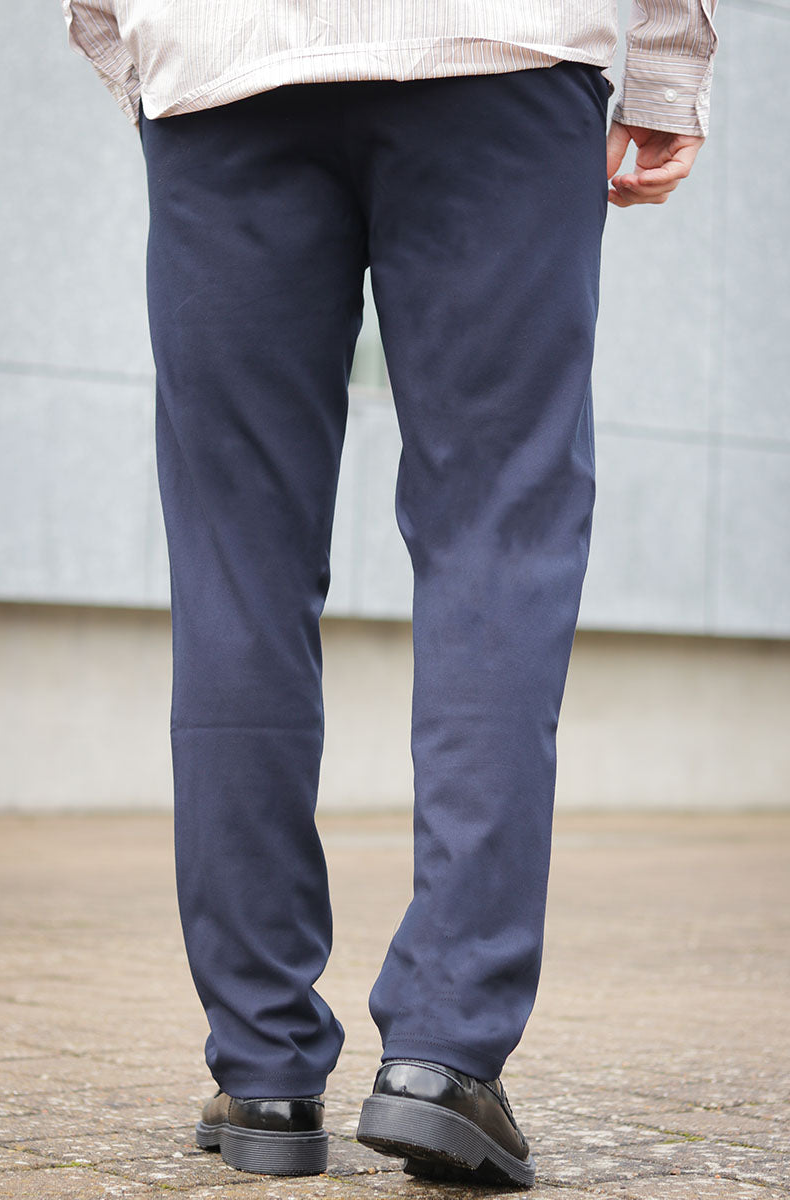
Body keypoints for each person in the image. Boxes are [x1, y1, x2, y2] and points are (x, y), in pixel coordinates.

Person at [62, 0, 719, 1188]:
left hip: (224, 77)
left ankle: (263, 1068)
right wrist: (666, 73)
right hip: (501, 56)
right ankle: (441, 1058)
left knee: (236, 566)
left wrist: (156, 60)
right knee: (496, 540)